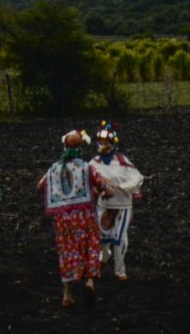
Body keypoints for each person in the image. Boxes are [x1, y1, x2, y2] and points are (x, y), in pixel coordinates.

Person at [38, 129, 112, 308]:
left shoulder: (54, 168)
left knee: (67, 252)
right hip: (85, 216)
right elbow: (104, 187)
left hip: (64, 219)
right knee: (90, 248)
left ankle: (67, 294)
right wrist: (104, 192)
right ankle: (89, 283)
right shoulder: (87, 167)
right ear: (80, 147)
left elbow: (40, 185)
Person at [89, 121, 144, 282]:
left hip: (122, 206)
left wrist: (120, 186)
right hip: (104, 206)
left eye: (106, 142)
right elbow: (89, 182)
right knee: (102, 238)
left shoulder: (122, 161)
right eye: (101, 142)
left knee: (120, 239)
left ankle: (120, 270)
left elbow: (137, 178)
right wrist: (99, 191)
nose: (103, 145)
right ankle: (104, 256)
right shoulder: (94, 163)